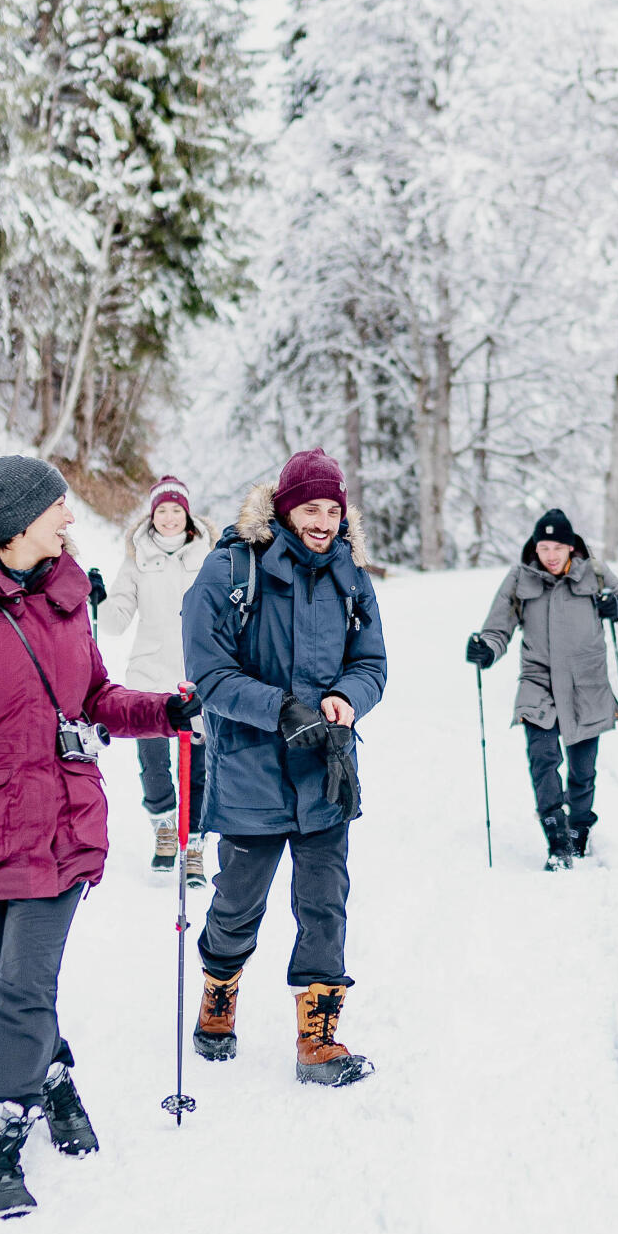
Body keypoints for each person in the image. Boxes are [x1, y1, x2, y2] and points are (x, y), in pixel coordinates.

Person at [0, 454, 195, 1218]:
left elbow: (95, 697)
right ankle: (53, 1078)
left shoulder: (65, 600)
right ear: (20, 522)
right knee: (4, 980)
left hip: (59, 823)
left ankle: (3, 1131)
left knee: (23, 986)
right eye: (58, 508)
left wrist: (162, 712)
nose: (69, 520)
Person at [180, 448, 386, 1086]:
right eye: (310, 507)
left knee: (325, 903)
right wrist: (281, 708)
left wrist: (346, 698)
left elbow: (372, 663)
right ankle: (220, 988)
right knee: (239, 902)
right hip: (251, 772)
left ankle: (317, 1038)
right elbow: (209, 674)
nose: (323, 520)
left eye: (333, 509)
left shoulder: (350, 575)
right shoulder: (229, 569)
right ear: (284, 507)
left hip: (325, 773)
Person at [465, 506, 618, 870]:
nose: (550, 555)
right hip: (538, 684)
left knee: (583, 772)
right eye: (544, 548)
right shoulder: (520, 579)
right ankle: (557, 841)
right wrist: (487, 650)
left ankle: (579, 830)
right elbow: (497, 628)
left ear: (571, 548)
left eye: (557, 547)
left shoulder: (596, 575)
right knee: (543, 760)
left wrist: (617, 607)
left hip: (587, 686)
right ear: (535, 548)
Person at [99, 474, 214, 883]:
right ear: (152, 515)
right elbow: (114, 623)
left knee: (198, 768)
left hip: (197, 675)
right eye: (161, 510)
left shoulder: (211, 556)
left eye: (175, 510)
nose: (168, 517)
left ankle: (195, 842)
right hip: (148, 675)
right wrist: (99, 601)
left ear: (187, 514)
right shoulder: (137, 559)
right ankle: (165, 827)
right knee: (153, 764)